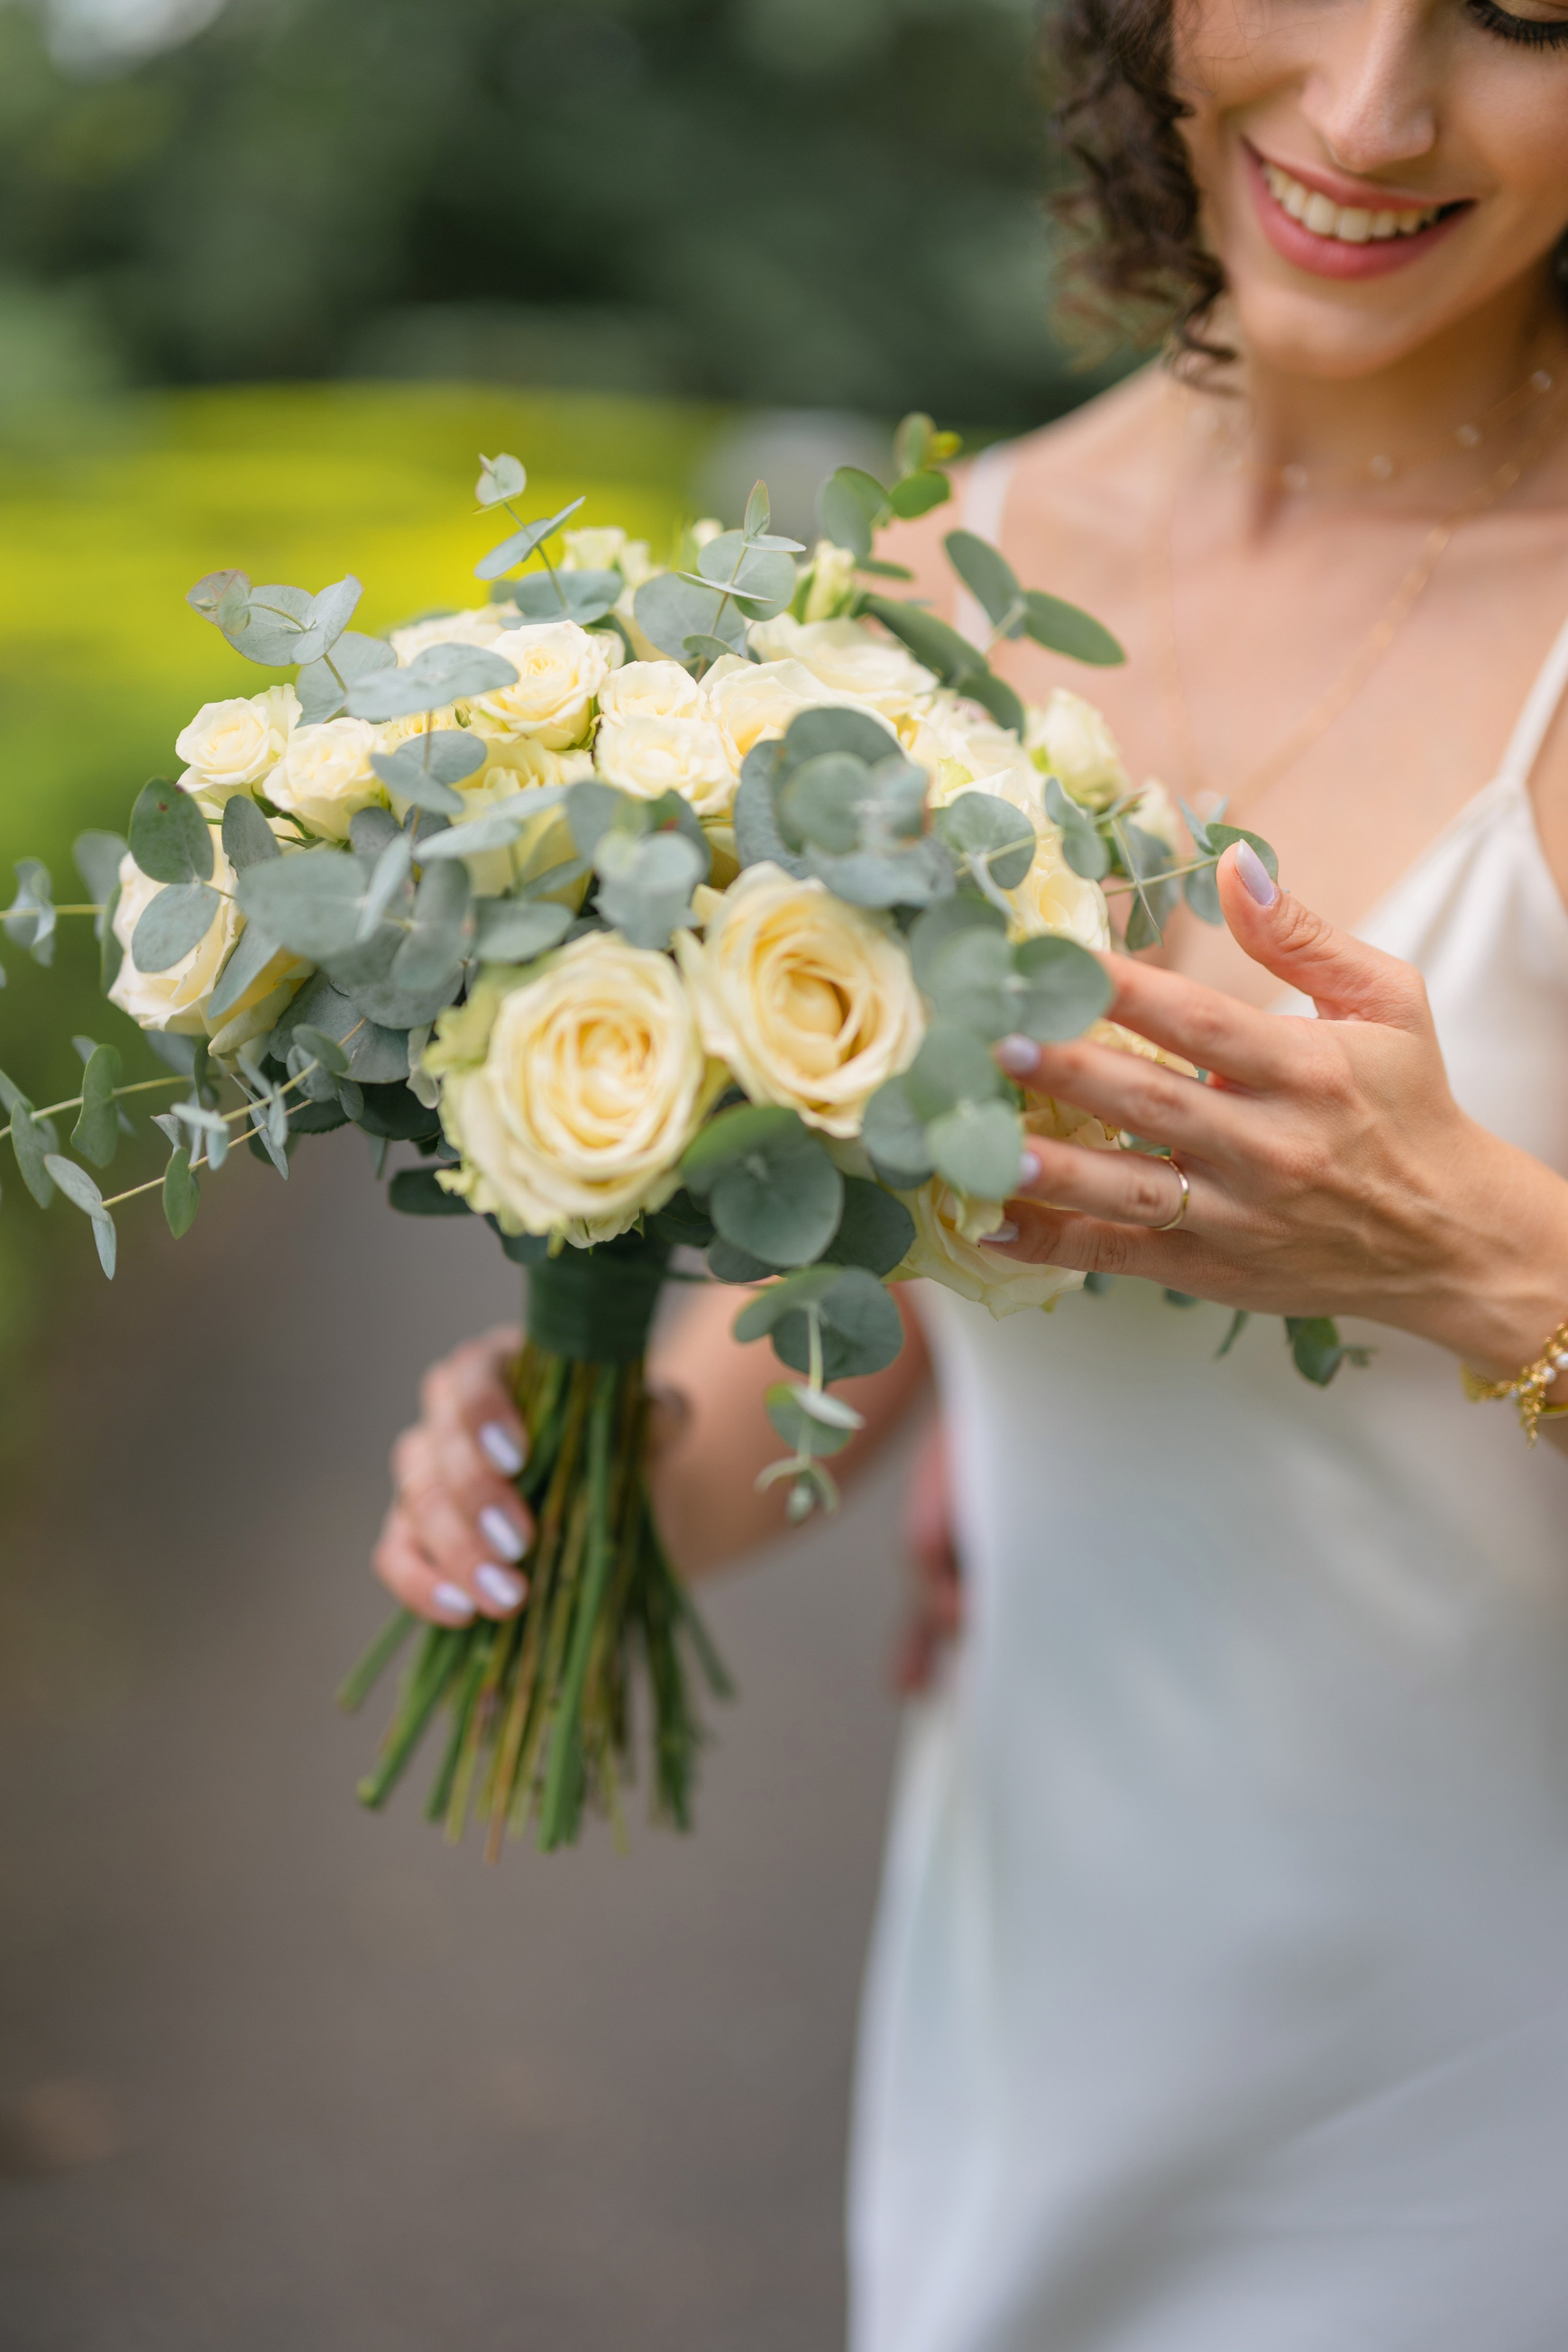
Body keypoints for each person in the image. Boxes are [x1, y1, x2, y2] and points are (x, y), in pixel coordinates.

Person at [372, 0, 1568, 2339]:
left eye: (1523, 16)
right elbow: (877, 1295)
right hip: (1053, 2001)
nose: (1369, 109)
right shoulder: (931, 577)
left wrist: (1486, 1262)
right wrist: (600, 1460)